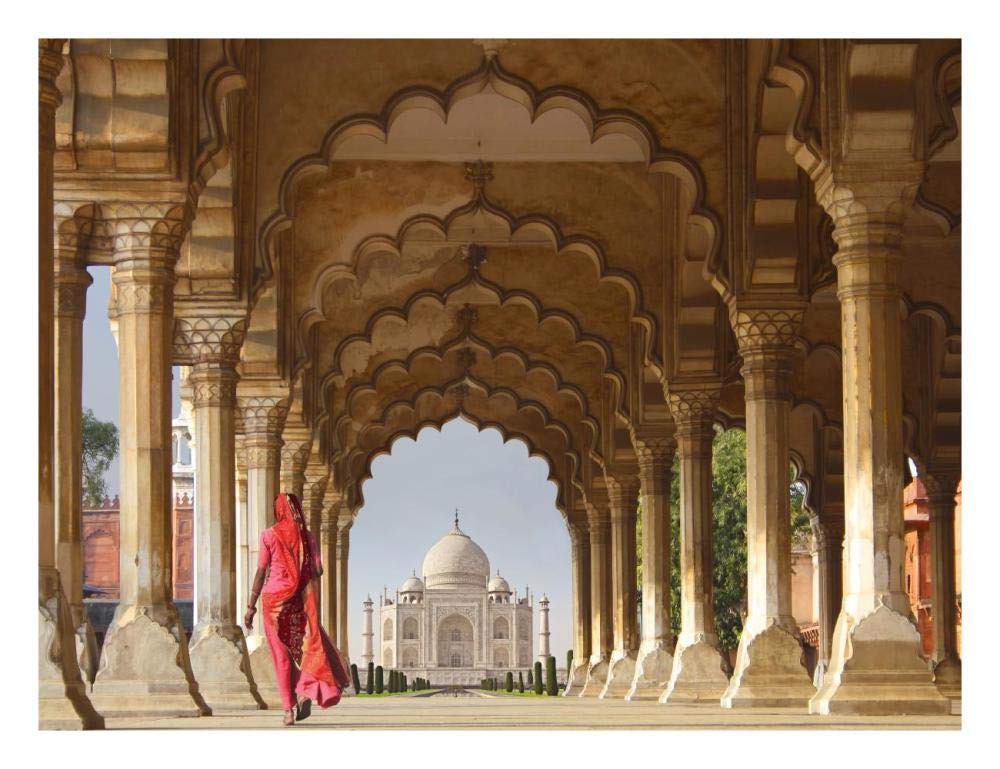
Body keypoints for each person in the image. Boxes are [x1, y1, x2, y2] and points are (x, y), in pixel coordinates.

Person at [244, 492, 351, 725]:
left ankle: (287, 711)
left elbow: (262, 571)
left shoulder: (268, 535)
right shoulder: (308, 538)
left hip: (273, 604)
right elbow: (318, 570)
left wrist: (250, 606)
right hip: (299, 603)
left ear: (278, 511)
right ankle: (304, 691)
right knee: (306, 650)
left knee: (281, 657)